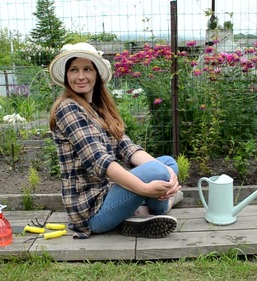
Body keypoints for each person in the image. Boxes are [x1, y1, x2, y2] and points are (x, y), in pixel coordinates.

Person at [48, 42, 183, 239]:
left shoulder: (98, 109)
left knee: (168, 163)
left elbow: (127, 148)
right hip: (92, 212)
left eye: (87, 69)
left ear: (96, 74)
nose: (80, 76)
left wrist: (169, 174)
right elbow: (100, 161)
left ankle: (144, 210)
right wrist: (145, 188)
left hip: (108, 193)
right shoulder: (68, 108)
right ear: (67, 76)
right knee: (158, 171)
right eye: (74, 70)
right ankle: (158, 206)